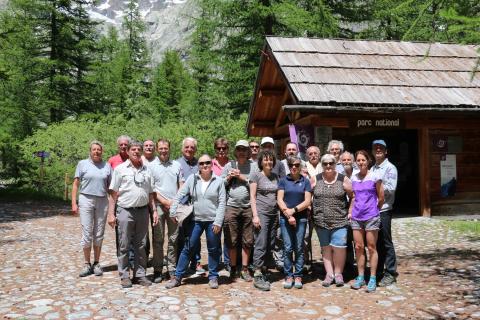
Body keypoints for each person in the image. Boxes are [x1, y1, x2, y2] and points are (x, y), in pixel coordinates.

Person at [166, 154, 226, 289]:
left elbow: (222, 202)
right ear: (198, 166)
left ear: (212, 164)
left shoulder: (219, 181)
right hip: (196, 220)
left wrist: (218, 222)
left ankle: (213, 276)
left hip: (212, 220)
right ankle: (177, 277)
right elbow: (180, 194)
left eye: (207, 163)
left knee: (213, 249)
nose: (205, 165)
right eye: (201, 163)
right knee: (188, 247)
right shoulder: (192, 179)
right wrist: (172, 211)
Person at [107, 141, 159, 288]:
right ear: (128, 152)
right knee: (124, 244)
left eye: (138, 150)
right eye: (133, 149)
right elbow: (113, 194)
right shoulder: (120, 169)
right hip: (125, 210)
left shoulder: (147, 170)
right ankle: (124, 275)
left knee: (141, 245)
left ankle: (140, 274)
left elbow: (150, 193)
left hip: (143, 211)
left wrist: (154, 210)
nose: (136, 152)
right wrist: (111, 214)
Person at [72, 141, 112, 277]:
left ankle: (96, 263)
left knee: (99, 232)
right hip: (86, 199)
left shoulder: (107, 166)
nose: (96, 152)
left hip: (102, 200)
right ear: (90, 151)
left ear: (102, 151)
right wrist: (73, 203)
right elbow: (76, 184)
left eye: (99, 150)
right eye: (94, 149)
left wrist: (113, 206)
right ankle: (86, 263)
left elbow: (111, 188)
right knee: (87, 232)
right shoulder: (82, 164)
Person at [312, 154, 353, 287]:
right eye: (325, 163)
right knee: (326, 248)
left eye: (331, 163)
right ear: (322, 165)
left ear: (335, 164)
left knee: (339, 248)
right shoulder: (315, 179)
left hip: (340, 220)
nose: (328, 166)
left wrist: (350, 211)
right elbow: (306, 195)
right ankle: (329, 274)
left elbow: (353, 196)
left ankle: (338, 273)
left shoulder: (343, 179)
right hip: (320, 220)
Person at [349, 150, 384, 292]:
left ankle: (373, 277)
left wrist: (374, 210)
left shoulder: (375, 176)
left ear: (368, 161)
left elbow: (381, 197)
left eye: (363, 160)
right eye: (358, 160)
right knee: (358, 247)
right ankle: (361, 276)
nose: (360, 162)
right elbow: (353, 196)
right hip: (357, 217)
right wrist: (350, 212)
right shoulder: (353, 177)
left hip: (371, 216)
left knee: (371, 247)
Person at [149, 138, 184, 283]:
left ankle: (172, 268)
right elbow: (151, 189)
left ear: (169, 149)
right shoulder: (151, 166)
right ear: (157, 149)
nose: (164, 150)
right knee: (158, 239)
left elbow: (182, 185)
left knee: (173, 239)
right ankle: (158, 270)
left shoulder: (176, 165)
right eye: (161, 148)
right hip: (158, 206)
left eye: (166, 148)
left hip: (174, 207)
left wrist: (174, 203)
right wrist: (164, 202)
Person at [222, 140, 255, 282]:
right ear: (235, 151)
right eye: (239, 149)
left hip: (248, 206)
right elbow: (221, 184)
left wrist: (241, 177)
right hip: (231, 206)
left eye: (244, 149)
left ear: (248, 151)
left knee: (248, 240)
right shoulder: (229, 165)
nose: (241, 151)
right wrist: (229, 177)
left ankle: (245, 268)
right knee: (232, 239)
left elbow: (255, 183)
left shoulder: (254, 166)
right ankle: (233, 268)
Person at [277, 155, 312, 289]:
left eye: (297, 165)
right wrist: (287, 214)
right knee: (287, 247)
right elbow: (279, 199)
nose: (294, 167)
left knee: (298, 247)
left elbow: (307, 201)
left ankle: (298, 275)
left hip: (301, 218)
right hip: (285, 219)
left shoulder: (306, 181)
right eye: (291, 165)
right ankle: (288, 275)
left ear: (300, 166)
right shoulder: (283, 180)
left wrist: (294, 211)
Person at [250, 150, 280, 291]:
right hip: (261, 213)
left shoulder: (275, 176)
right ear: (261, 162)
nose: (269, 162)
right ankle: (257, 273)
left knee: (271, 242)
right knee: (260, 242)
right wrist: (255, 215)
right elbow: (253, 197)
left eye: (271, 160)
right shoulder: (256, 175)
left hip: (274, 214)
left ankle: (264, 268)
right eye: (266, 160)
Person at [371, 139, 398, 287]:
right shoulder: (373, 168)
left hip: (384, 209)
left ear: (386, 151)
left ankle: (391, 272)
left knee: (386, 241)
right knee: (377, 241)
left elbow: (390, 188)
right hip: (373, 209)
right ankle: (379, 270)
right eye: (375, 148)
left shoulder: (390, 168)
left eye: (381, 148)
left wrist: (374, 187)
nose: (378, 150)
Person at [176, 137, 204, 275]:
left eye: (192, 147)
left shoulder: (200, 163)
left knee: (195, 234)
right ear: (182, 148)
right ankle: (181, 263)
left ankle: (196, 262)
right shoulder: (177, 164)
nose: (189, 149)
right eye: (187, 147)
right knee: (181, 236)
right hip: (182, 205)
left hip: (197, 205)